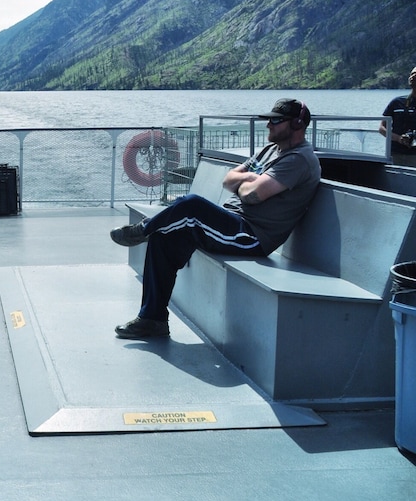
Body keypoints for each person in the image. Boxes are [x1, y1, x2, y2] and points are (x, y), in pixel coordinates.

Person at [109, 98, 321, 339]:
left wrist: (246, 184)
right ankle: (152, 320)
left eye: (275, 120)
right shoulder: (270, 150)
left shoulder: (299, 159)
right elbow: (228, 180)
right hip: (232, 223)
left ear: (297, 124)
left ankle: (142, 230)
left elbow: (252, 195)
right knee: (163, 238)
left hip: (251, 236)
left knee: (191, 205)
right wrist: (249, 180)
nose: (268, 125)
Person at [379, 66, 416, 167]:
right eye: (412, 74)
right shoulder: (397, 102)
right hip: (395, 153)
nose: (414, 77)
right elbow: (382, 128)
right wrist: (399, 138)